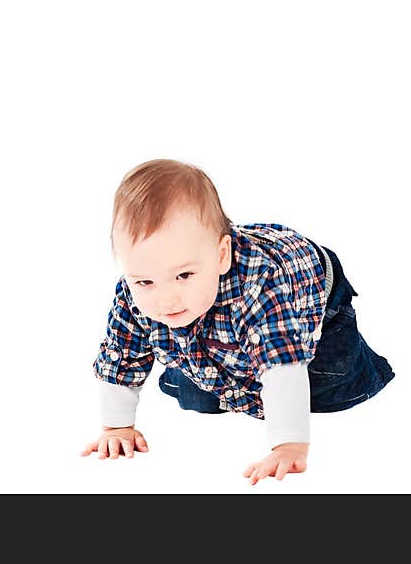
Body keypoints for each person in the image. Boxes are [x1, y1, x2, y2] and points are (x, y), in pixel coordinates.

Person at [80, 158, 394, 484]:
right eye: (145, 282)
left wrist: (288, 445)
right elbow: (121, 354)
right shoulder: (132, 292)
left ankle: (347, 367)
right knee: (197, 397)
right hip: (216, 327)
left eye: (184, 275)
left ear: (221, 256)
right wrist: (117, 426)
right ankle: (226, 367)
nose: (166, 299)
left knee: (330, 384)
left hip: (312, 302)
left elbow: (281, 363)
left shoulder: (263, 283)